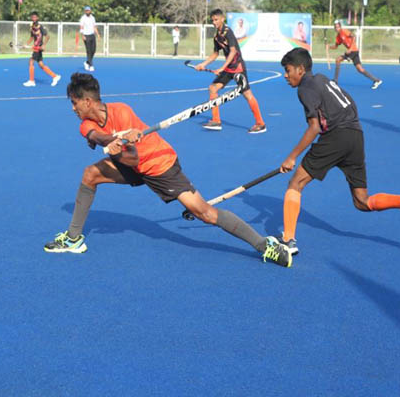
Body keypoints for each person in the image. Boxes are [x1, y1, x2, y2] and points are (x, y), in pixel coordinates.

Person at [42, 73, 291, 267]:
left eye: (75, 103)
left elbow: (131, 159)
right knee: (90, 174)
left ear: (87, 101)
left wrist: (122, 148)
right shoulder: (85, 123)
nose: (73, 108)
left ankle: (264, 245)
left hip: (159, 165)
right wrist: (110, 141)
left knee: (204, 212)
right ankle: (74, 238)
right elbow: (93, 134)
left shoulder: (122, 112)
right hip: (130, 164)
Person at [276, 47, 400, 256]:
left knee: (296, 183)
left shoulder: (304, 88)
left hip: (336, 137)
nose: (286, 75)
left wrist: (291, 157)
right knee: (361, 201)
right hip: (356, 135)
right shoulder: (323, 79)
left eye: (288, 70)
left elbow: (315, 127)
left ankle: (287, 241)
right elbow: (350, 103)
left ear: (300, 69)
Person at [194, 8, 266, 133]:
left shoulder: (228, 32)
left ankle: (260, 123)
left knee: (247, 94)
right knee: (213, 88)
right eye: (213, 20)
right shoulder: (217, 36)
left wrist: (222, 67)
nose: (214, 22)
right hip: (228, 68)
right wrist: (203, 64)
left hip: (238, 67)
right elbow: (215, 54)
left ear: (222, 19)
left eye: (216, 20)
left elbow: (233, 51)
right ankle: (216, 121)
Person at [328, 20, 381, 89]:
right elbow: (335, 46)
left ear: (340, 27)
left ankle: (335, 80)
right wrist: (329, 46)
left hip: (353, 51)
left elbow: (354, 36)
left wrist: (350, 48)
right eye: (335, 27)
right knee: (360, 69)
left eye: (338, 27)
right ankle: (377, 80)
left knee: (338, 60)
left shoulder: (344, 31)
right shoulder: (338, 37)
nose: (337, 28)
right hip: (353, 52)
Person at [22, 11, 61, 87]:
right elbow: (32, 37)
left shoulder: (41, 27)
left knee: (31, 62)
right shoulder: (32, 27)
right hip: (35, 47)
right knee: (41, 64)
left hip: (38, 47)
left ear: (38, 18)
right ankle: (55, 76)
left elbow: (47, 36)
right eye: (32, 17)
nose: (34, 18)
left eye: (35, 17)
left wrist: (43, 45)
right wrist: (26, 44)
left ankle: (32, 81)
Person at [79, 6, 100, 71]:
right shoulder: (83, 18)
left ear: (90, 11)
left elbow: (94, 27)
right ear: (85, 11)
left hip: (92, 35)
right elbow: (81, 27)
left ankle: (87, 62)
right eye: (86, 10)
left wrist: (98, 34)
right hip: (86, 35)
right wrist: (82, 35)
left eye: (88, 10)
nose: (87, 11)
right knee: (88, 51)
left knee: (93, 50)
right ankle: (91, 65)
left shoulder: (93, 18)